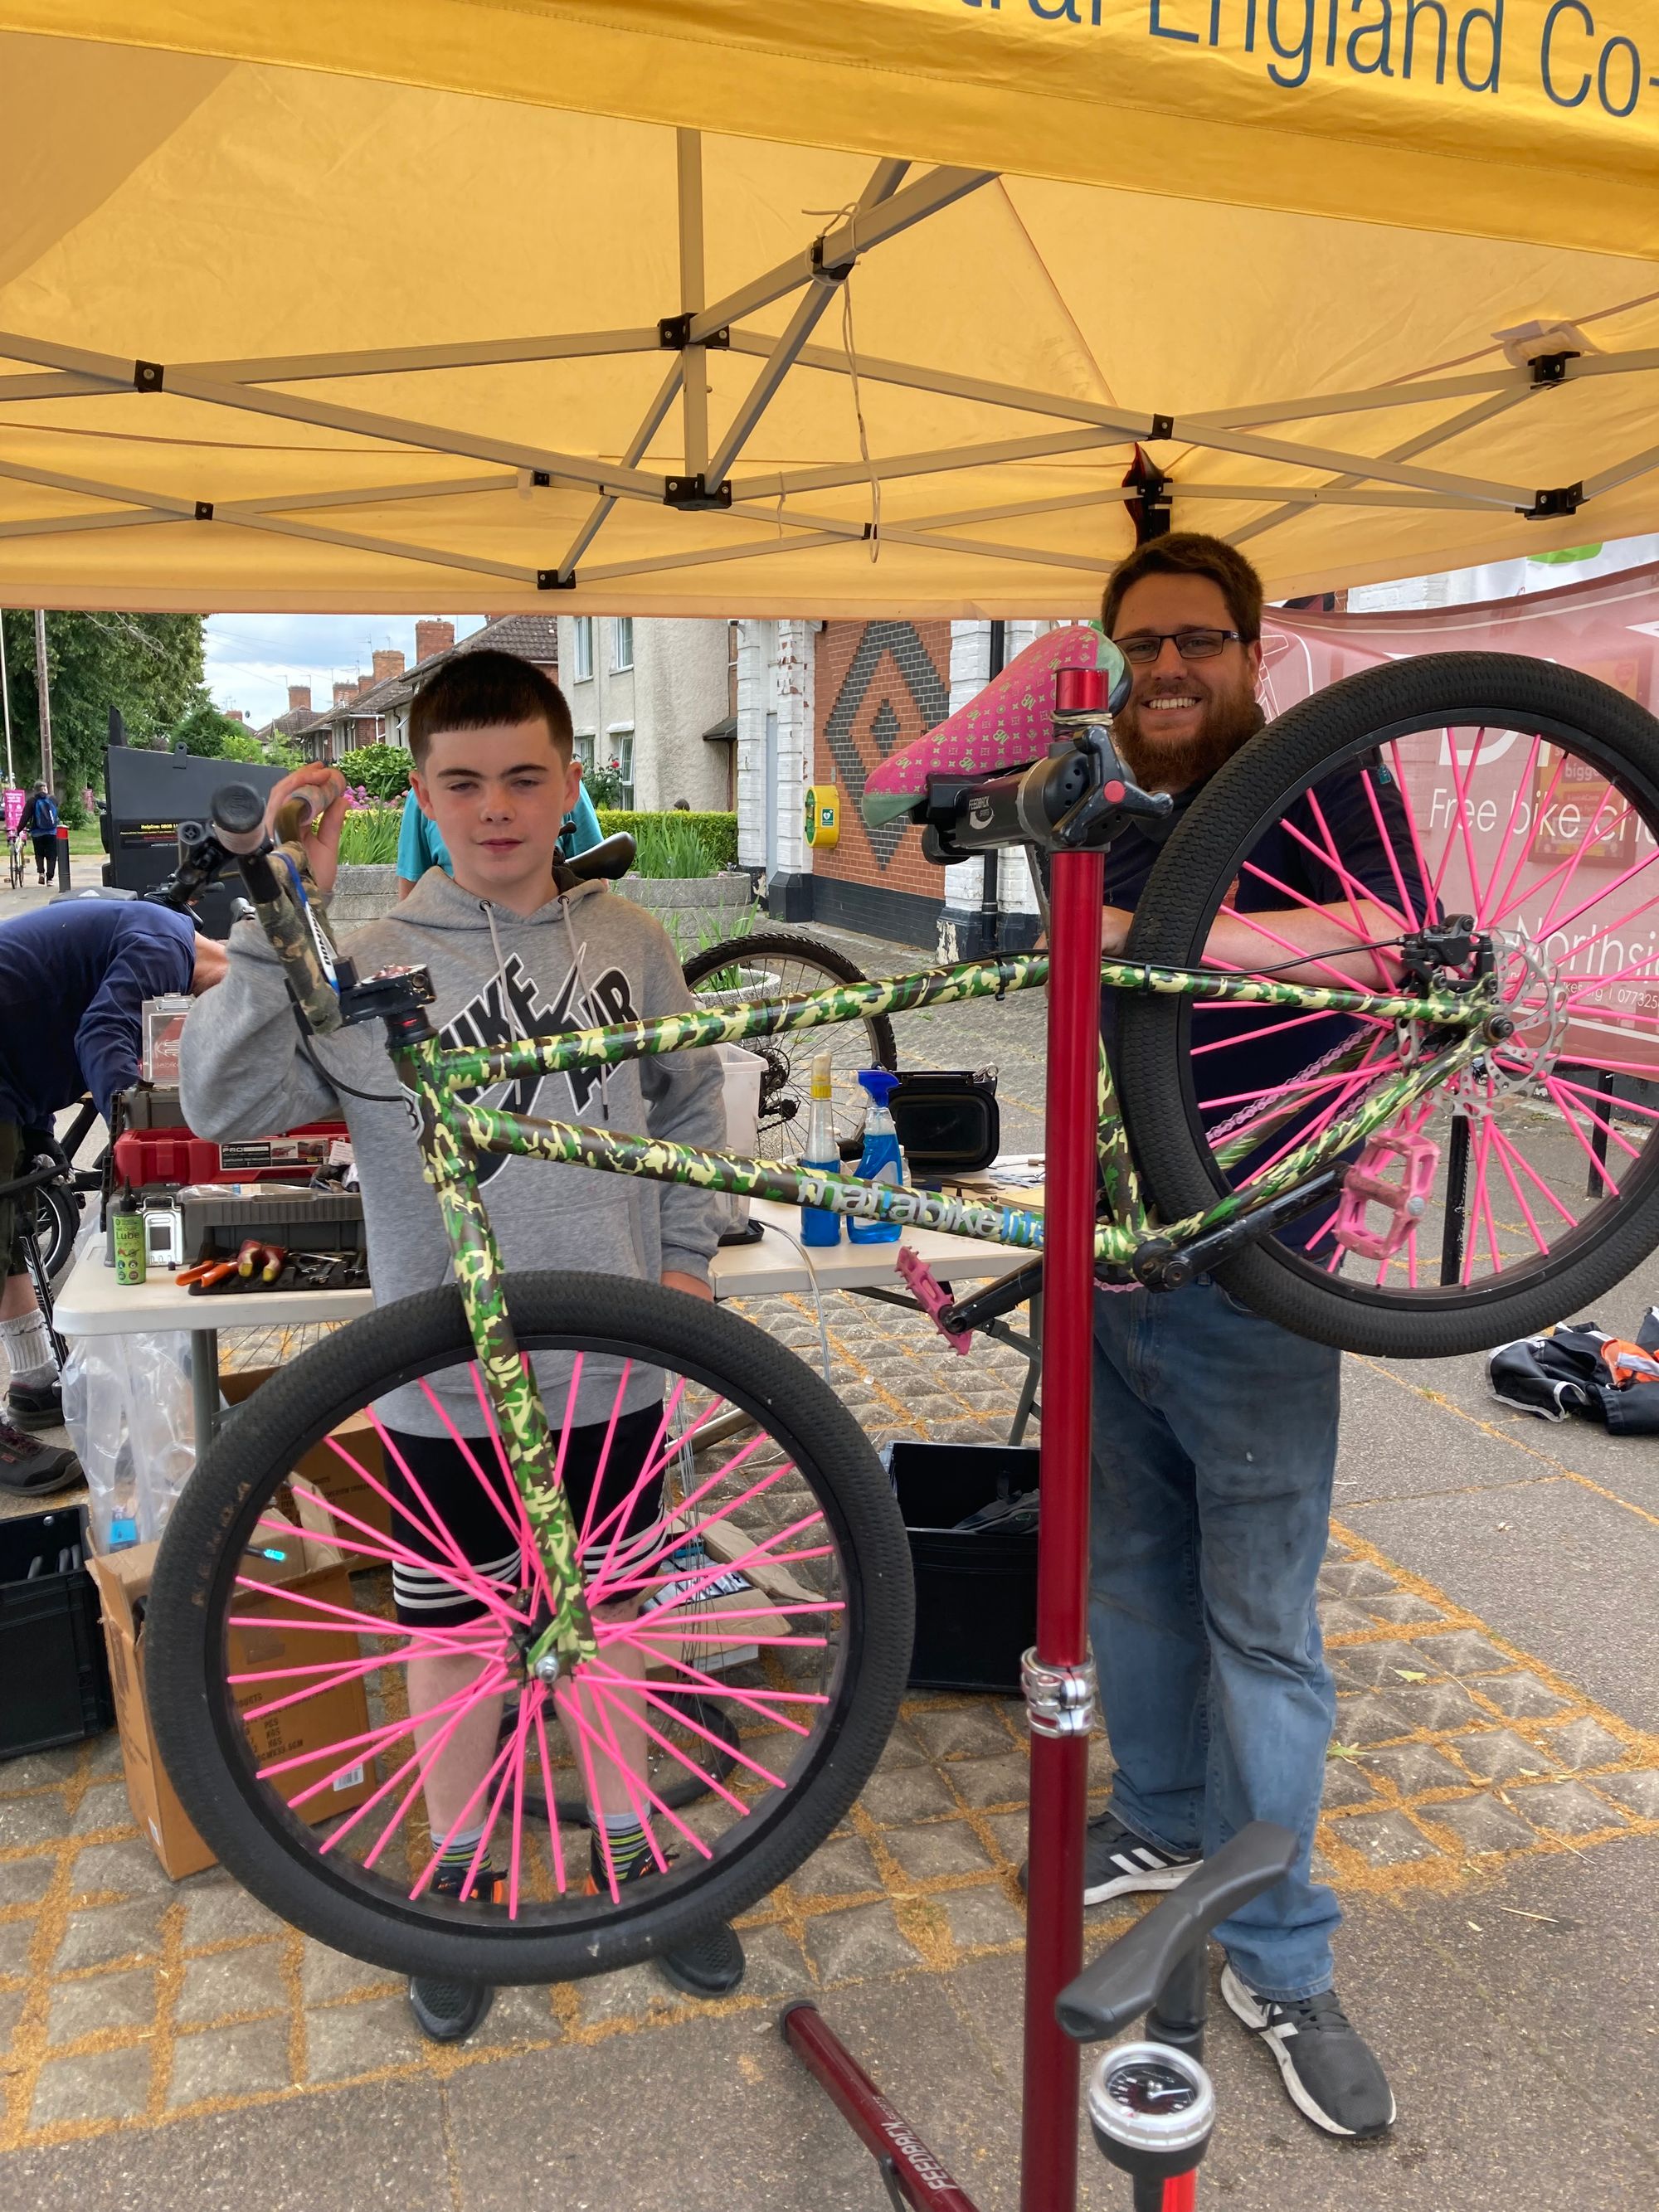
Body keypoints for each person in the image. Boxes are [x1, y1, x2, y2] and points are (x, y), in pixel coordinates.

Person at [179, 648, 734, 2043]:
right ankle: (458, 1883)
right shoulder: (364, 963)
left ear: (568, 783)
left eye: (526, 778)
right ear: (420, 792)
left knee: (616, 1613)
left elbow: (689, 1101)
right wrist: (276, 915)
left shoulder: (631, 939)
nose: (498, 808)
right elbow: (228, 1099)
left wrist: (683, 1269)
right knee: (457, 1633)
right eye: (464, 781)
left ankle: (641, 1859)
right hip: (439, 1383)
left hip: (618, 1362)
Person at [1032, 534, 1405, 2141]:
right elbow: (1076, 1023)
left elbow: (1384, 942)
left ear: (1254, 650)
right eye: (1138, 648)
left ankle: (1277, 1950)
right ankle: (1164, 1815)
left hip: (1255, 1281)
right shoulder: (1110, 801)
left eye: (1191, 641)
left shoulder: (1319, 777)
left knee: (1261, 1629)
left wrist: (1153, 937)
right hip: (1109, 1266)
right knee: (1130, 1576)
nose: (1162, 671)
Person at [0, 901, 229, 1488]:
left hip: (13, 1071)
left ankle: (33, 1381)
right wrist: (140, 1148)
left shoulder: (168, 940)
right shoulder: (164, 948)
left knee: (12, 1223)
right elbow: (102, 1036)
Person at [396, 761, 604, 897]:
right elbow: (411, 895)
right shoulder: (424, 797)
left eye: (526, 783)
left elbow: (597, 882)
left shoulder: (559, 786)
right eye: (462, 786)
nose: (496, 811)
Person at [22, 783, 59, 885]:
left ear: (35, 790)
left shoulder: (32, 801)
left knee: (39, 854)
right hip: (52, 832)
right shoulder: (53, 799)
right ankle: (50, 879)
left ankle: (41, 873)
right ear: (45, 789)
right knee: (52, 855)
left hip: (37, 833)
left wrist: (18, 829)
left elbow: (25, 817)